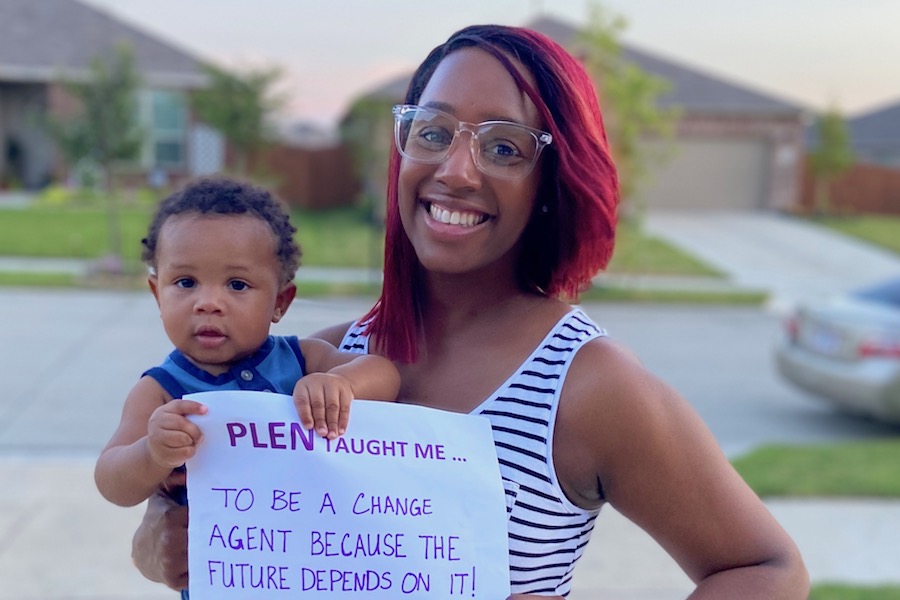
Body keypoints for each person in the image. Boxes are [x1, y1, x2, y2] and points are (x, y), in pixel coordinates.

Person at [131, 26, 809, 598]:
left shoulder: (586, 385)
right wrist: (157, 544)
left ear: (551, 182)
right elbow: (208, 513)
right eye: (434, 131)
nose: (457, 169)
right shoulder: (321, 360)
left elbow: (768, 570)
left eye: (504, 147)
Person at [95, 177, 400, 509]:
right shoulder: (161, 390)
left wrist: (341, 384)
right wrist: (152, 452)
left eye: (237, 285)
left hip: (313, 544)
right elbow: (112, 483)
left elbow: (385, 375)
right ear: (157, 295)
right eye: (186, 282)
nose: (208, 302)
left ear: (280, 302)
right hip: (230, 554)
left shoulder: (302, 360)